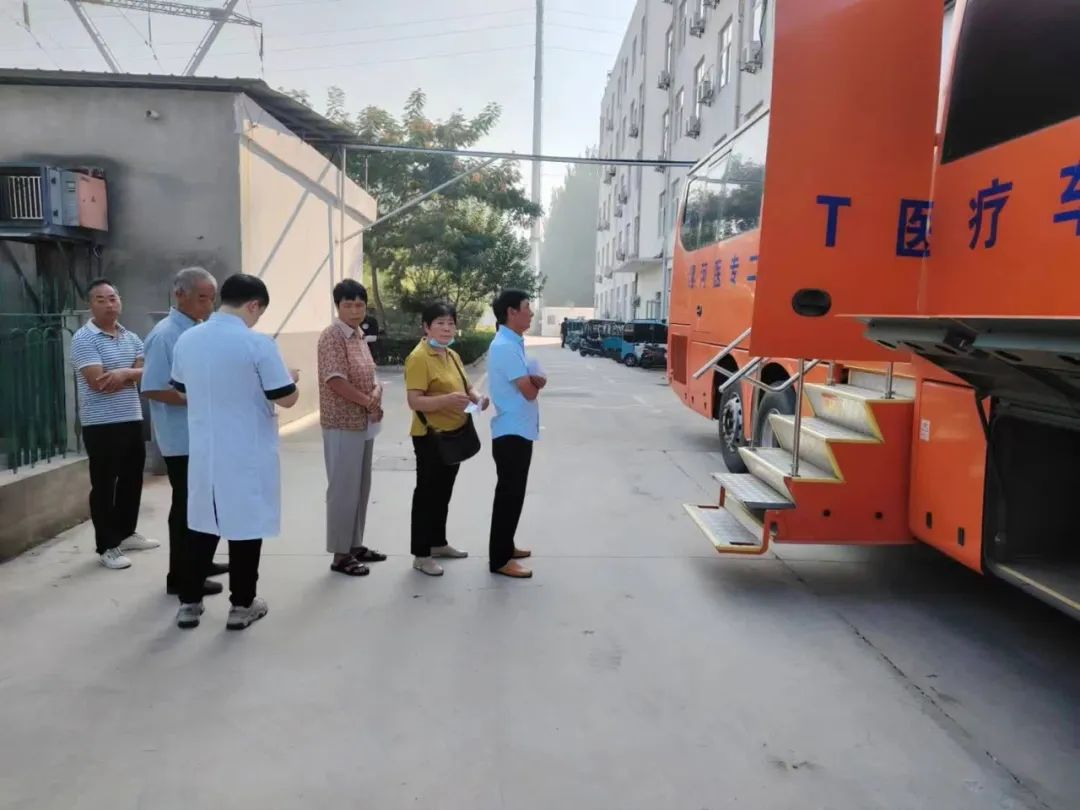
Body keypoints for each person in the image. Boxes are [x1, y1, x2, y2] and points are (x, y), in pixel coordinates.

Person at [170, 274, 300, 630]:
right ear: (253, 305)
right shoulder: (257, 344)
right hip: (246, 452)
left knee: (201, 526)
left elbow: (181, 391)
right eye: (259, 312)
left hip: (206, 451)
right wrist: (291, 378)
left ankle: (189, 603)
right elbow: (286, 398)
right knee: (245, 527)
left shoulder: (188, 339)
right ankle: (242, 605)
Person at [142, 267, 227, 597]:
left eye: (212, 298)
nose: (208, 305)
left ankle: (199, 562)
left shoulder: (197, 330)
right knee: (187, 507)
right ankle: (181, 576)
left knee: (203, 505)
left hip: (201, 436)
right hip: (182, 440)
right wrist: (199, 398)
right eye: (202, 298)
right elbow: (153, 387)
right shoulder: (166, 335)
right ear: (180, 295)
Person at [71, 279, 160, 570]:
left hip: (131, 417)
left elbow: (148, 372)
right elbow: (99, 383)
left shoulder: (131, 336)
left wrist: (123, 374)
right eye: (101, 299)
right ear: (91, 305)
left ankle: (126, 533)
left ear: (120, 301)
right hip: (101, 424)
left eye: (113, 298)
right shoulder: (84, 338)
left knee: (132, 479)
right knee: (104, 485)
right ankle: (107, 545)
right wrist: (130, 373)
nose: (109, 304)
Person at [404, 302, 489, 577]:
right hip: (430, 436)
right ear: (426, 327)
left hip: (454, 434)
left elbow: (467, 387)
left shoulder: (451, 354)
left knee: (443, 493)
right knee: (426, 496)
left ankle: (438, 543)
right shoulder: (419, 358)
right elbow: (414, 400)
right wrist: (447, 400)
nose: (446, 328)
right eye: (439, 323)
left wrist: (478, 399)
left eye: (450, 323)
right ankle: (421, 555)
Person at [318, 279, 386, 577]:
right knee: (343, 490)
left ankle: (355, 544)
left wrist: (376, 395)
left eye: (360, 305)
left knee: (360, 487)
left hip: (364, 422)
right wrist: (368, 402)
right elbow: (335, 380)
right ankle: (340, 554)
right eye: (348, 305)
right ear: (338, 307)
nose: (355, 310)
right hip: (342, 423)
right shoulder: (332, 336)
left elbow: (370, 373)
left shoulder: (358, 335)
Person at [487, 290, 545, 579]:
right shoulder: (505, 347)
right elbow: (529, 392)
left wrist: (533, 381)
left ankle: (506, 546)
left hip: (518, 429)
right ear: (511, 312)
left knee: (514, 494)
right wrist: (537, 382)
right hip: (511, 432)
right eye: (526, 307)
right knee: (509, 497)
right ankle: (499, 559)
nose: (531, 313)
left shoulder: (512, 343)